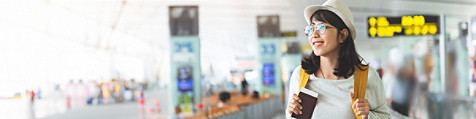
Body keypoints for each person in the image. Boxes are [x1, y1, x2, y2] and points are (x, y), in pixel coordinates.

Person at [285, 0, 391, 118]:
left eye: (321, 27)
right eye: (311, 29)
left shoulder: (367, 77)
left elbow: (385, 116)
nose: (314, 34)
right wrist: (291, 112)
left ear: (342, 35)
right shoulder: (300, 75)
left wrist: (368, 115)